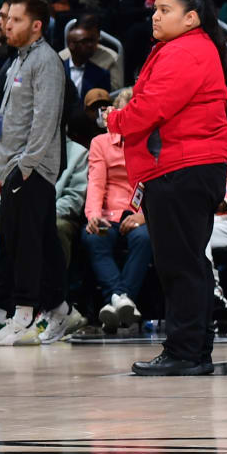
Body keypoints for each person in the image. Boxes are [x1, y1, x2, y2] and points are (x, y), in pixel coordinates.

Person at [105, 0, 227, 375]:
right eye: (154, 9)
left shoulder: (186, 50)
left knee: (181, 264)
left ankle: (185, 351)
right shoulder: (190, 48)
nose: (155, 17)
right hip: (188, 164)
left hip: (183, 164)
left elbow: (150, 107)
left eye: (165, 10)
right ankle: (193, 351)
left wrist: (112, 119)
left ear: (190, 17)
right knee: (185, 262)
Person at [0, 0, 73, 346]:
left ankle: (23, 318)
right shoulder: (18, 60)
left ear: (36, 26)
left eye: (14, 20)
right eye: (5, 19)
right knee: (42, 243)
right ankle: (60, 309)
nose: (5, 25)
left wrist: (25, 167)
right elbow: (8, 122)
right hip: (13, 166)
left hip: (30, 169)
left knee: (24, 245)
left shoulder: (45, 61)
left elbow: (45, 120)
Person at [81, 88, 150, 332]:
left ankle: (116, 299)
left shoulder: (150, 141)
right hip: (108, 212)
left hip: (140, 213)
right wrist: (93, 215)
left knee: (145, 238)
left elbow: (155, 185)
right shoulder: (101, 142)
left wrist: (145, 217)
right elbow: (96, 182)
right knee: (94, 236)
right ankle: (123, 299)